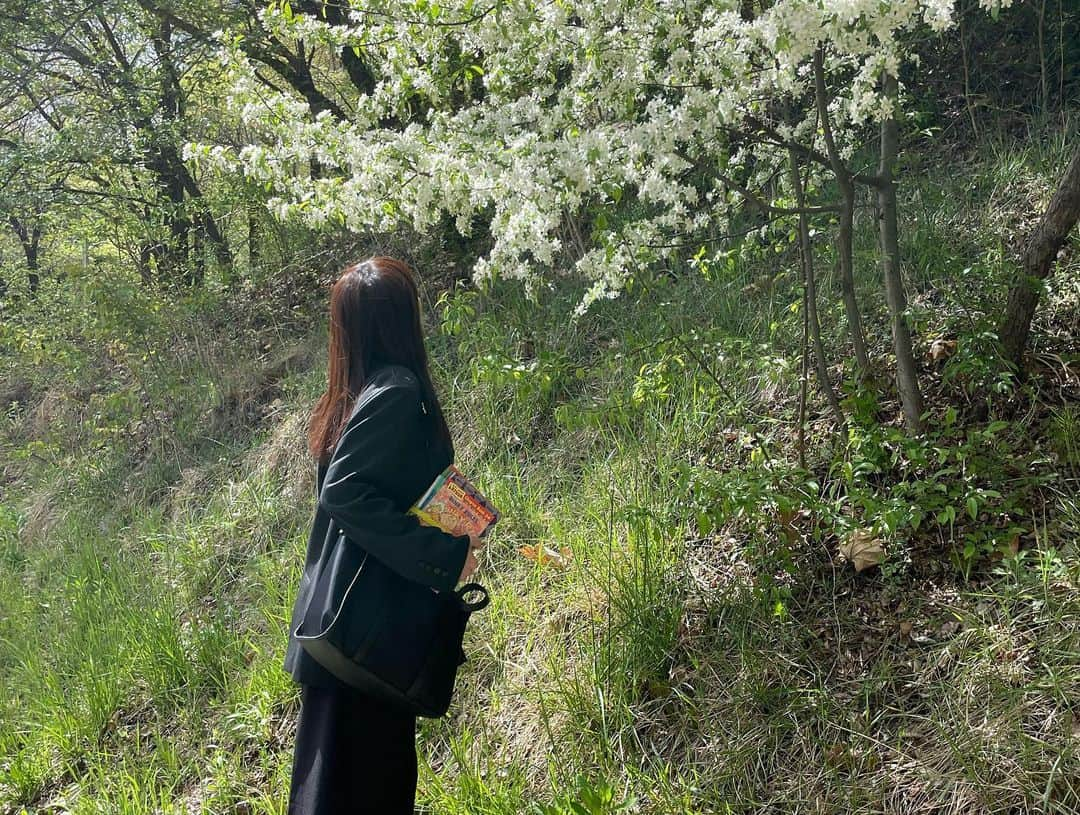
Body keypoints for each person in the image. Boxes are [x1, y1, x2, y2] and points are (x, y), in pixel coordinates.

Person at [284, 256, 484, 814]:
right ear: (403, 319)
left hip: (344, 633)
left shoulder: (358, 396)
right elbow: (345, 494)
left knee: (330, 793)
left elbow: (368, 493)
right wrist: (445, 553)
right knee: (369, 791)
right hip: (366, 638)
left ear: (348, 329)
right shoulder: (396, 392)